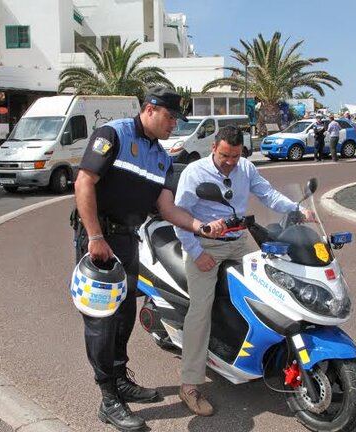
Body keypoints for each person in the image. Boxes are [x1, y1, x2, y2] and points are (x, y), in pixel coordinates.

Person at [72, 86, 224, 430]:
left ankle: (120, 379)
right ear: (151, 109)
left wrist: (201, 226)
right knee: (102, 319)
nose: (174, 124)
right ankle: (109, 399)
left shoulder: (160, 156)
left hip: (127, 240)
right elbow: (84, 182)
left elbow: (167, 208)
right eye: (171, 117)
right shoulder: (113, 135)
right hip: (99, 239)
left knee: (125, 315)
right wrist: (95, 236)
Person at [173, 125, 313, 417]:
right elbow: (181, 218)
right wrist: (197, 253)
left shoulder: (245, 168)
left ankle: (261, 352)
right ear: (214, 147)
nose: (230, 162)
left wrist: (295, 210)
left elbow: (268, 195)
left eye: (235, 156)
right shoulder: (194, 173)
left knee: (270, 287)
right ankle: (189, 385)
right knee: (201, 309)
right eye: (225, 155)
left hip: (238, 241)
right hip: (204, 244)